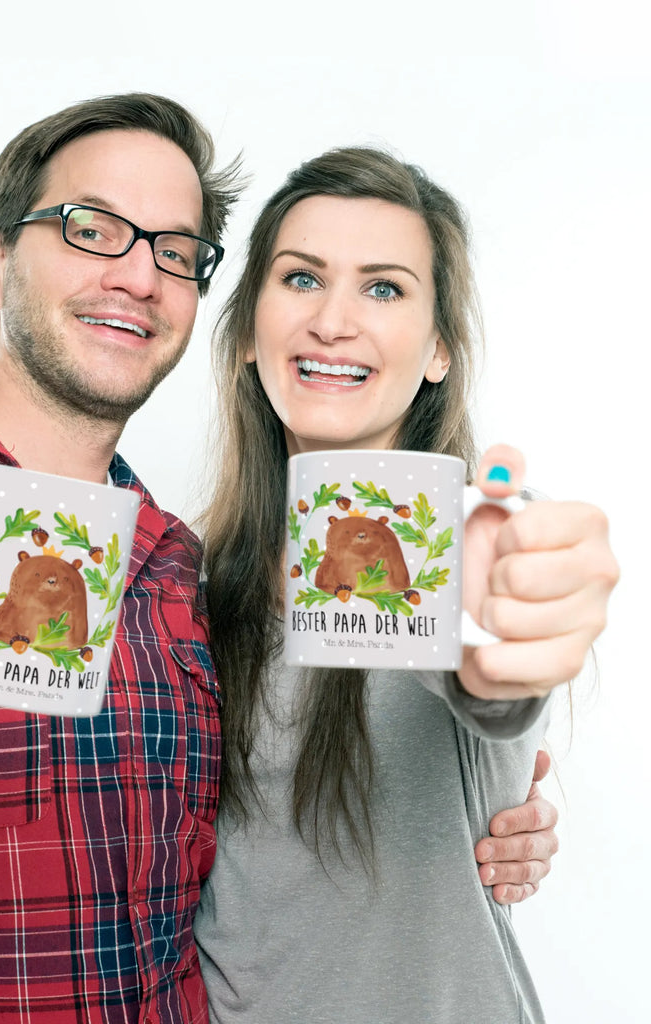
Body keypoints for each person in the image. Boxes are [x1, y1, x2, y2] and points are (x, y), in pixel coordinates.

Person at [0, 93, 566, 1023]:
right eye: (92, 229)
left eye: (173, 251)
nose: (136, 274)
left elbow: (432, 721)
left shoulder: (179, 573)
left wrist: (494, 774)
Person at [193, 146, 619, 1022]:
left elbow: (494, 681)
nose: (333, 322)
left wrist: (514, 638)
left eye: (383, 288)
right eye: (302, 279)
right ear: (245, 332)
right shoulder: (188, 584)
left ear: (437, 352)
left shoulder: (472, 546)